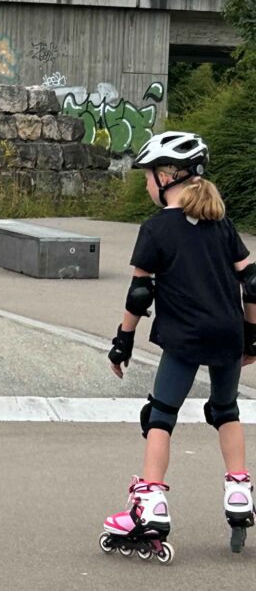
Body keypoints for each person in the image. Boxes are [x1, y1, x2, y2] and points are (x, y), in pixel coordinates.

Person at [98, 131, 256, 562]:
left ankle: (150, 505)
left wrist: (123, 341)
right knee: (225, 411)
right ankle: (239, 491)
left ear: (167, 176)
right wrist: (252, 337)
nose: (147, 184)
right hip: (228, 333)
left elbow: (138, 295)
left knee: (160, 416)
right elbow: (253, 281)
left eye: (149, 175)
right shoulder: (221, 224)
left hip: (184, 339)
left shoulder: (155, 229)